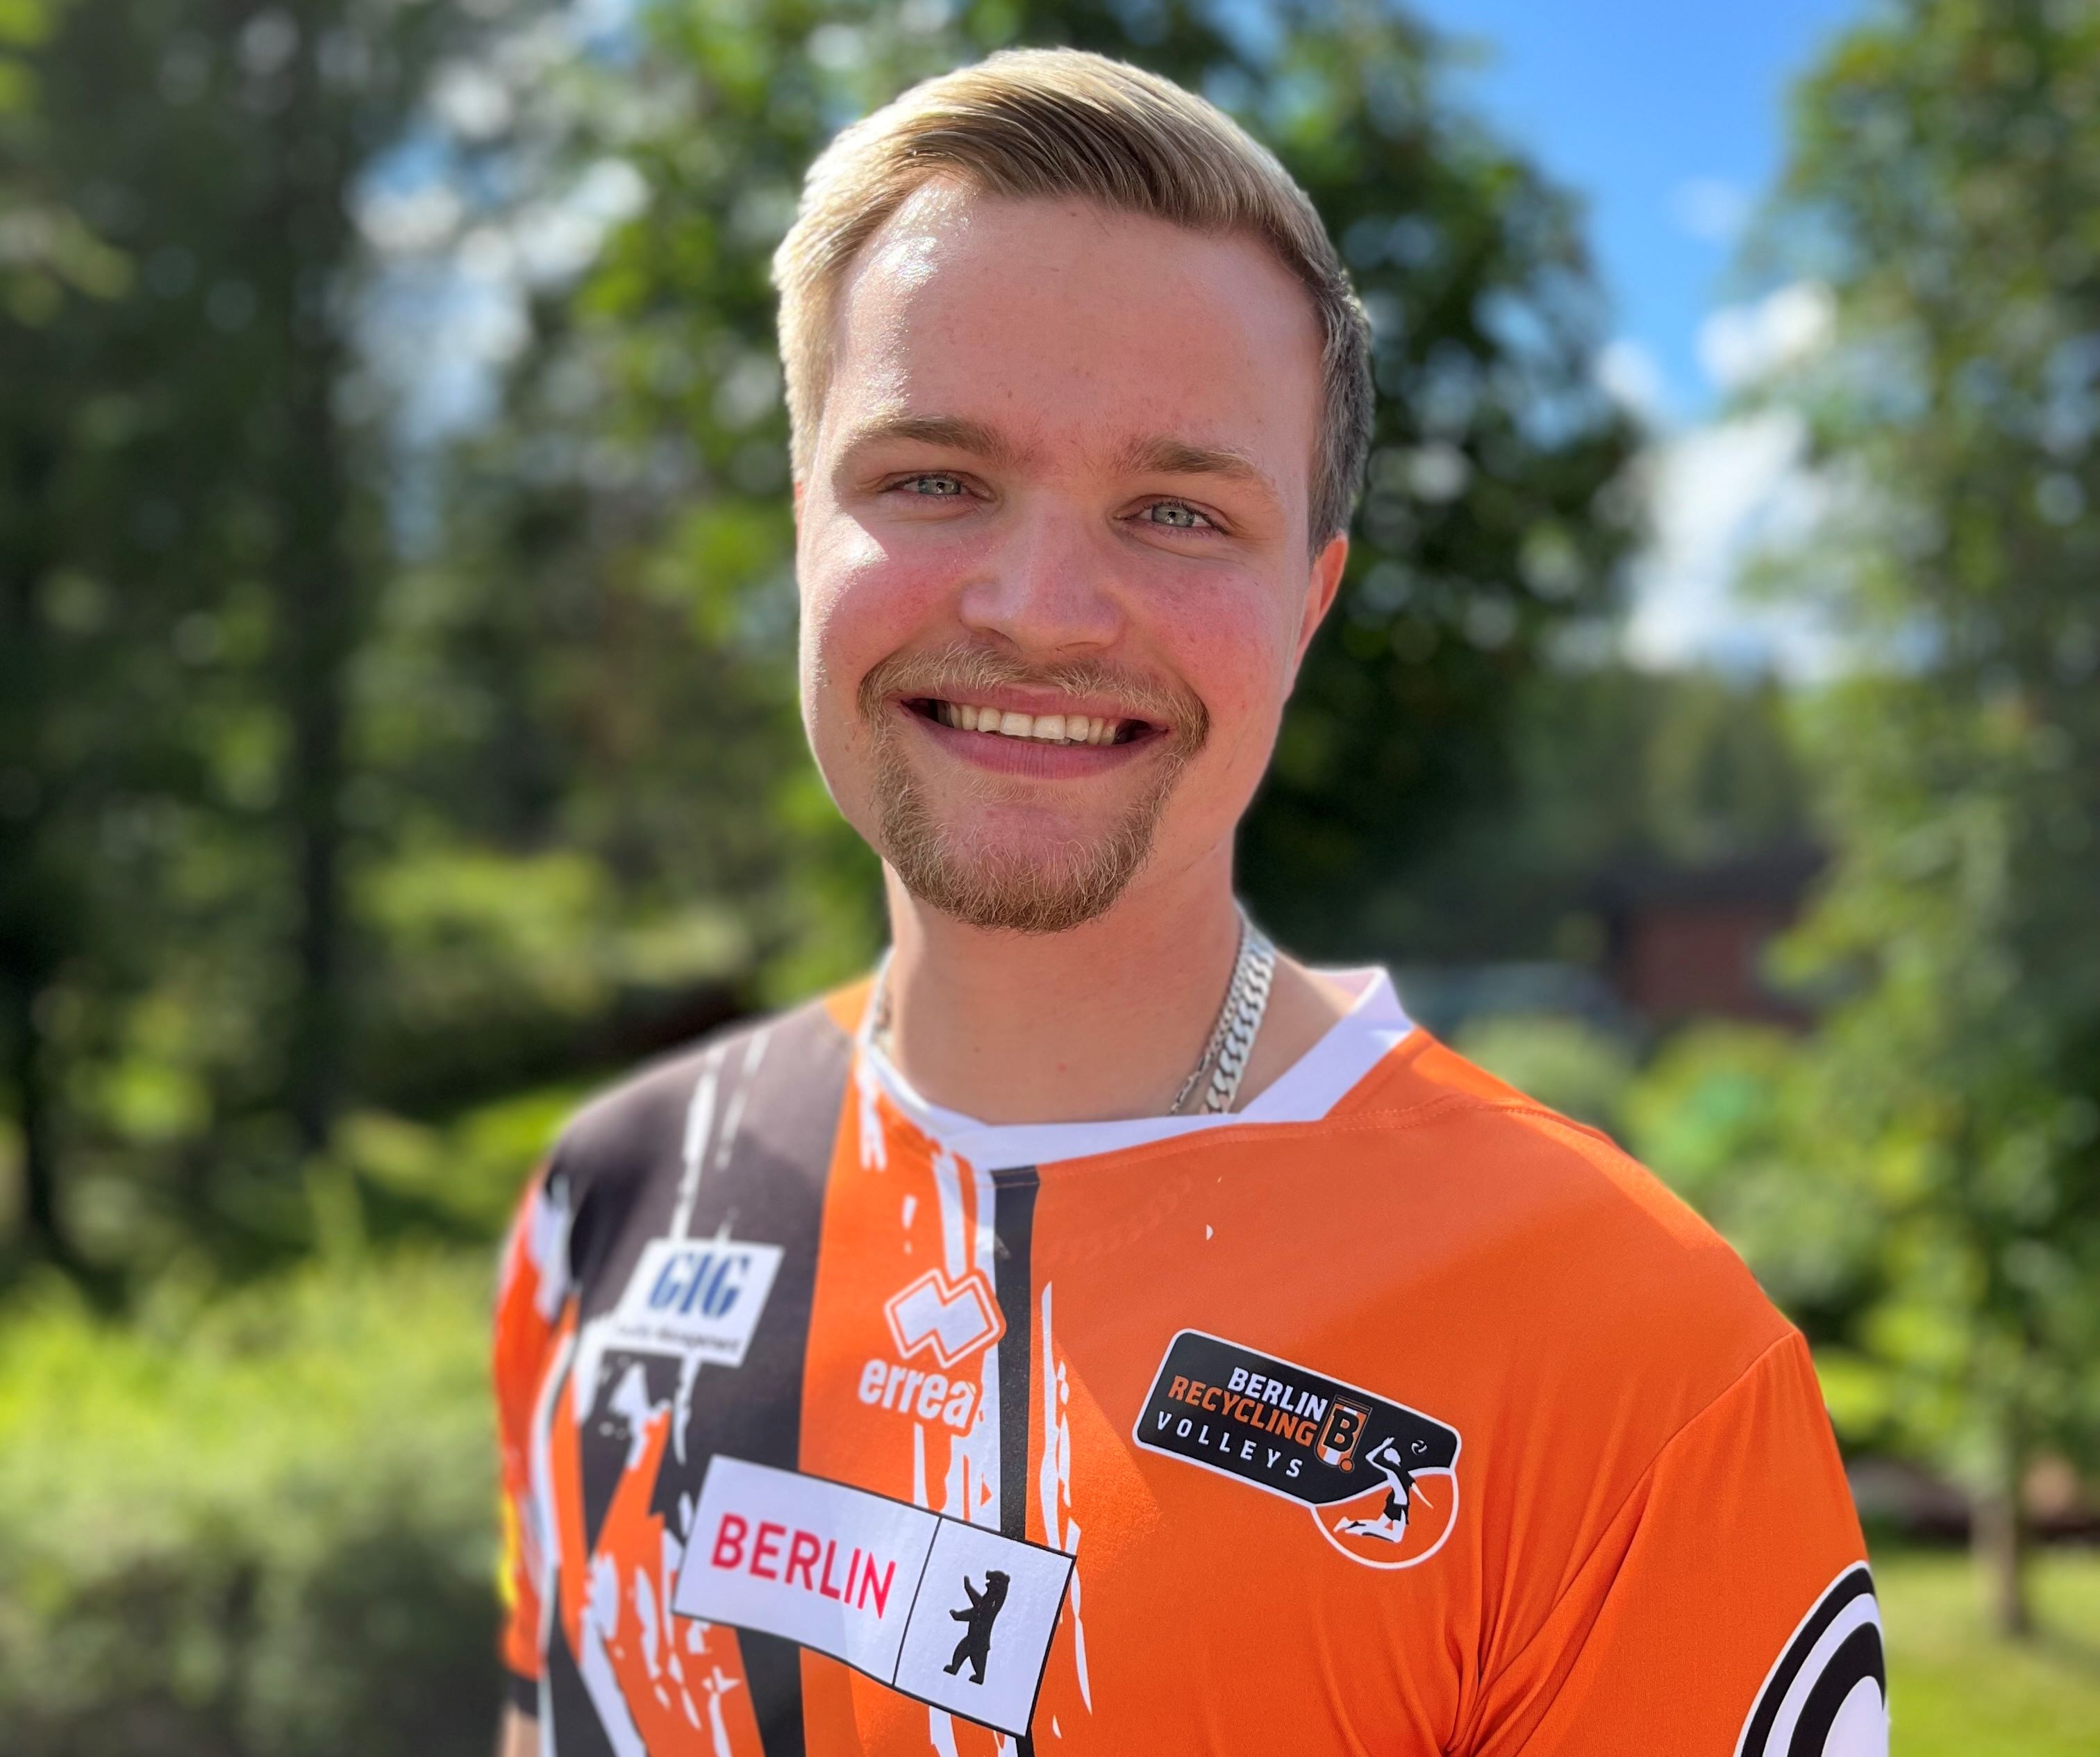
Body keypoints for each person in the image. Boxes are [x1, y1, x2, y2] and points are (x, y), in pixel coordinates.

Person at [492, 48, 1887, 1757]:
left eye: (1176, 510)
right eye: (933, 477)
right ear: (805, 525)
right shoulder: (612, 1205)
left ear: (1307, 606)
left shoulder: (1635, 1357)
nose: (1041, 607)